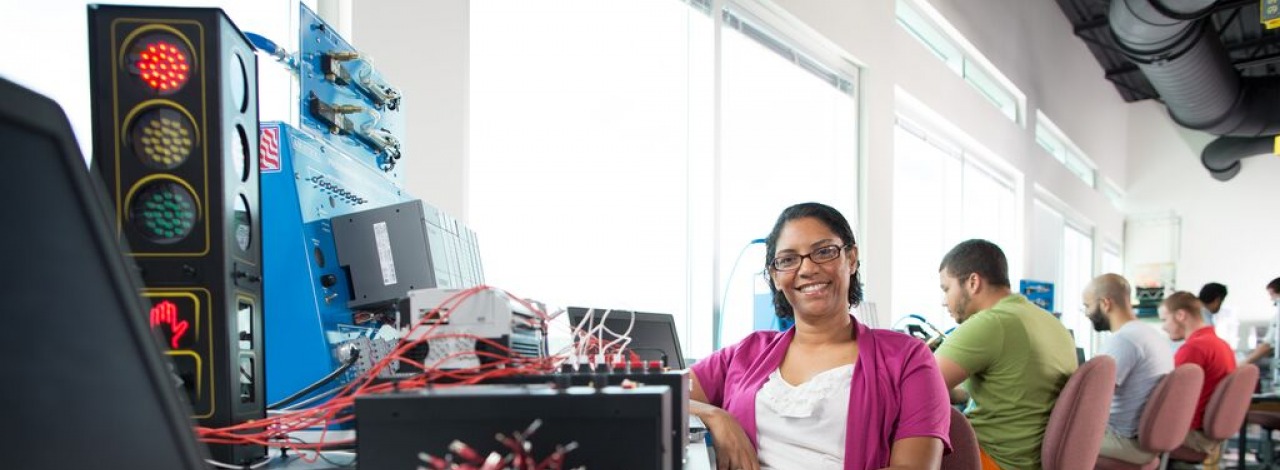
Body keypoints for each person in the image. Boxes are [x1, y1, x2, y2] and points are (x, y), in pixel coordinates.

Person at [691, 202, 950, 470]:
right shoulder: (748, 352)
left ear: (851, 259)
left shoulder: (907, 358)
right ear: (775, 277)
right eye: (788, 260)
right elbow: (651, 395)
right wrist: (716, 416)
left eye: (824, 252)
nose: (807, 269)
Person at [934, 239, 1077, 470]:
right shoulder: (1049, 322)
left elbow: (917, 388)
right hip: (1031, 459)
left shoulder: (993, 322)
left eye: (946, 288)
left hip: (994, 461)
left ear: (973, 282)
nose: (944, 301)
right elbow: (1011, 393)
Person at [1083, 274, 1173, 465]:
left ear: (1106, 303)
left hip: (1123, 440)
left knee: (1044, 437)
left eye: (1088, 306)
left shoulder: (1124, 340)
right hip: (1144, 439)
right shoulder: (1151, 335)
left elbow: (1089, 399)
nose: (1086, 313)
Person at [1159, 291, 1237, 465]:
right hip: (1208, 435)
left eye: (1165, 320)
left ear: (1180, 315)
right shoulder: (1221, 345)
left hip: (1191, 435)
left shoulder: (1194, 348)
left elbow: (1164, 397)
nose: (1163, 327)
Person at [1239, 277, 1280, 367]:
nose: (1271, 299)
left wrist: (1242, 363)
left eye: (1272, 295)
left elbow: (1267, 346)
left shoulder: (1277, 318)